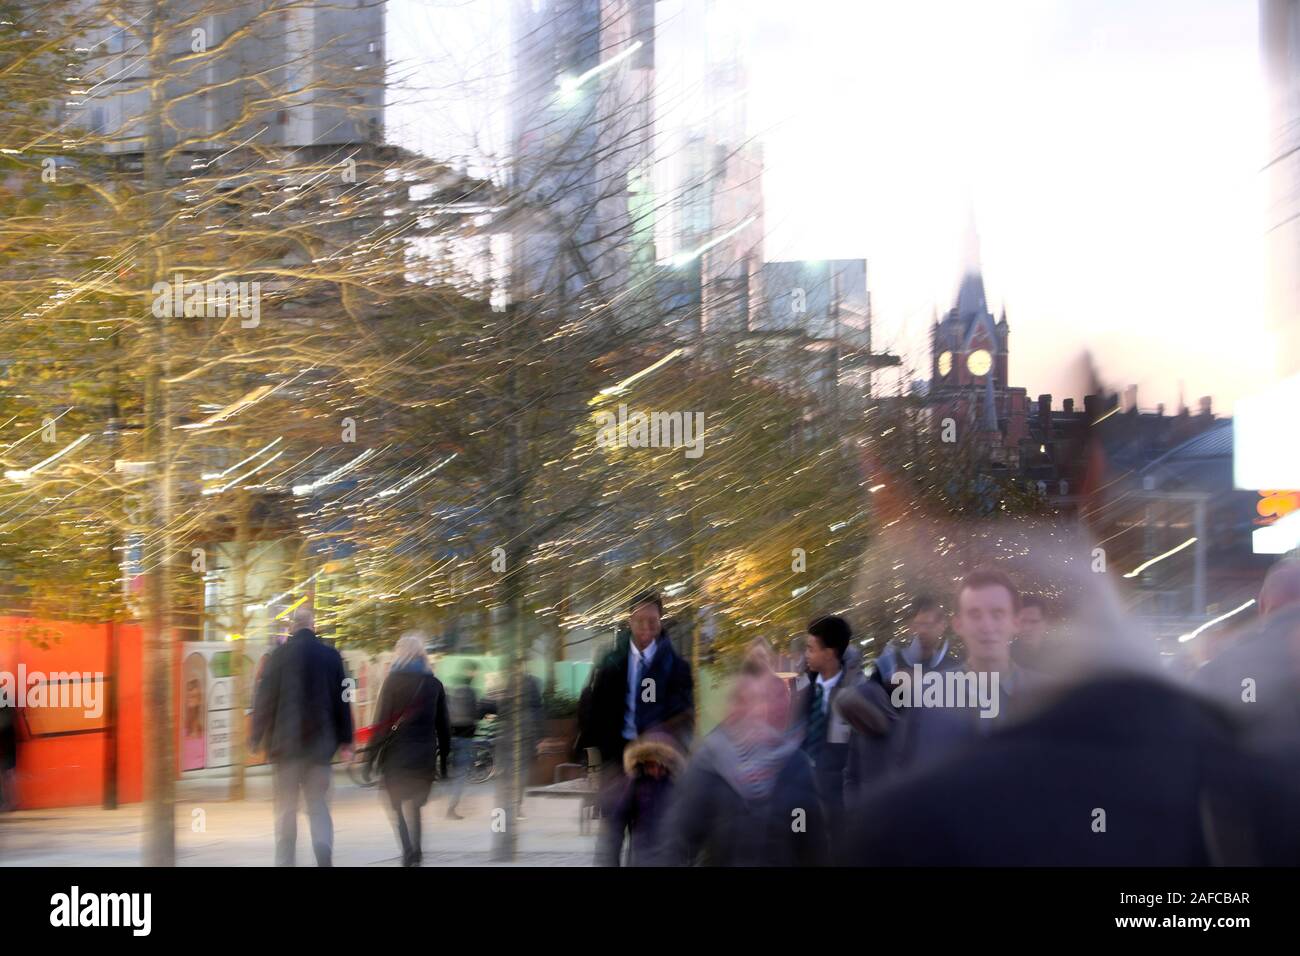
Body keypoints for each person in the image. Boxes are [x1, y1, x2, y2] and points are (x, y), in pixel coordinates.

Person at [664, 670, 828, 866]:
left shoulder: (796, 765)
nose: (774, 709)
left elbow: (810, 841)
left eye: (782, 700)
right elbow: (679, 838)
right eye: (764, 700)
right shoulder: (710, 764)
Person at [251, 606, 354, 867]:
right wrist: (346, 740)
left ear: (292, 628)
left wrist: (256, 737)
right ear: (313, 626)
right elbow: (344, 701)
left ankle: (285, 862)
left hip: (285, 749)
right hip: (320, 749)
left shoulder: (277, 657)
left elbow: (263, 700)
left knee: (286, 810)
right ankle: (323, 849)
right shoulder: (332, 657)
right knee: (318, 806)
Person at [577, 591, 694, 774]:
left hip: (658, 762)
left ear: (660, 621)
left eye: (652, 621)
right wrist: (596, 758)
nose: (646, 628)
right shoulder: (611, 663)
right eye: (640, 621)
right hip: (616, 759)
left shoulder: (676, 668)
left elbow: (683, 716)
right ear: (630, 621)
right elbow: (596, 712)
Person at [368, 633, 450, 866]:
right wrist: (444, 762)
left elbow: (381, 723)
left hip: (396, 757)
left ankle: (408, 851)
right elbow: (443, 727)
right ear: (422, 654)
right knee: (414, 805)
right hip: (424, 757)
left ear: (399, 653)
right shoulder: (434, 684)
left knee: (395, 805)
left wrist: (371, 759)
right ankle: (418, 851)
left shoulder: (392, 682)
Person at [790, 614, 863, 851]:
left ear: (829, 653)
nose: (806, 655)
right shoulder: (802, 690)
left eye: (811, 649)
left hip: (838, 802)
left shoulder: (857, 694)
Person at [595, 733, 682, 866]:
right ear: (642, 764)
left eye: (661, 766)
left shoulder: (677, 787)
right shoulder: (633, 786)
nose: (657, 771)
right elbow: (615, 828)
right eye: (652, 766)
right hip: (641, 859)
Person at [445, 662, 483, 820]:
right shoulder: (470, 691)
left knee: (453, 770)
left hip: (452, 735)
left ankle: (449, 802)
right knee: (461, 773)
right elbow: (475, 713)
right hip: (466, 736)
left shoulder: (453, 690)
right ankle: (451, 808)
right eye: (474, 671)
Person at [1011, 594, 1052, 671]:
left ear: (1046, 624)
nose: (1027, 628)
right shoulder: (1004, 657)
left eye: (1034, 622)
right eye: (1022, 621)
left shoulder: (1062, 657)